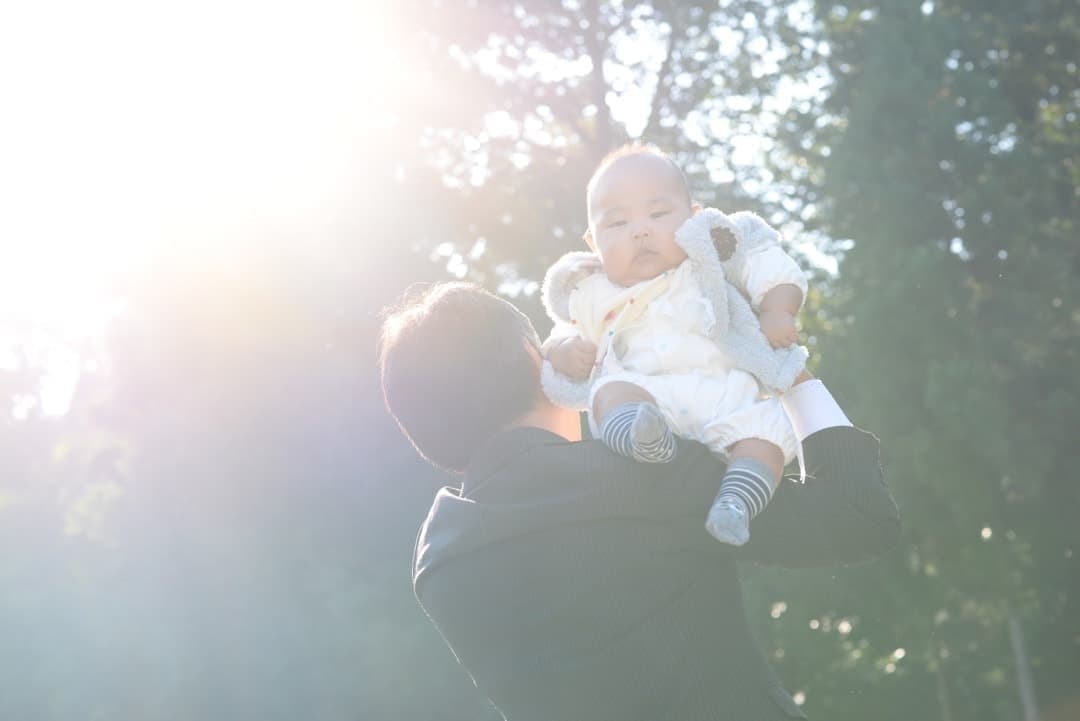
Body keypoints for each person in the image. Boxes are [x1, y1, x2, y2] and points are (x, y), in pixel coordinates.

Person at [379, 281, 901, 721]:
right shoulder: (636, 476)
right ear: (534, 359)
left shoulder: (438, 561)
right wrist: (785, 370)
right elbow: (857, 515)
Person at [541, 143, 809, 546]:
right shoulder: (593, 292)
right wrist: (564, 352)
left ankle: (736, 503)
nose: (640, 231)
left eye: (658, 214)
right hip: (649, 398)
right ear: (593, 244)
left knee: (770, 433)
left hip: (726, 395)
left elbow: (767, 263)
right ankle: (644, 441)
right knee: (608, 394)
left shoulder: (711, 259)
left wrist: (777, 309)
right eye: (618, 223)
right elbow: (562, 336)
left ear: (694, 218)